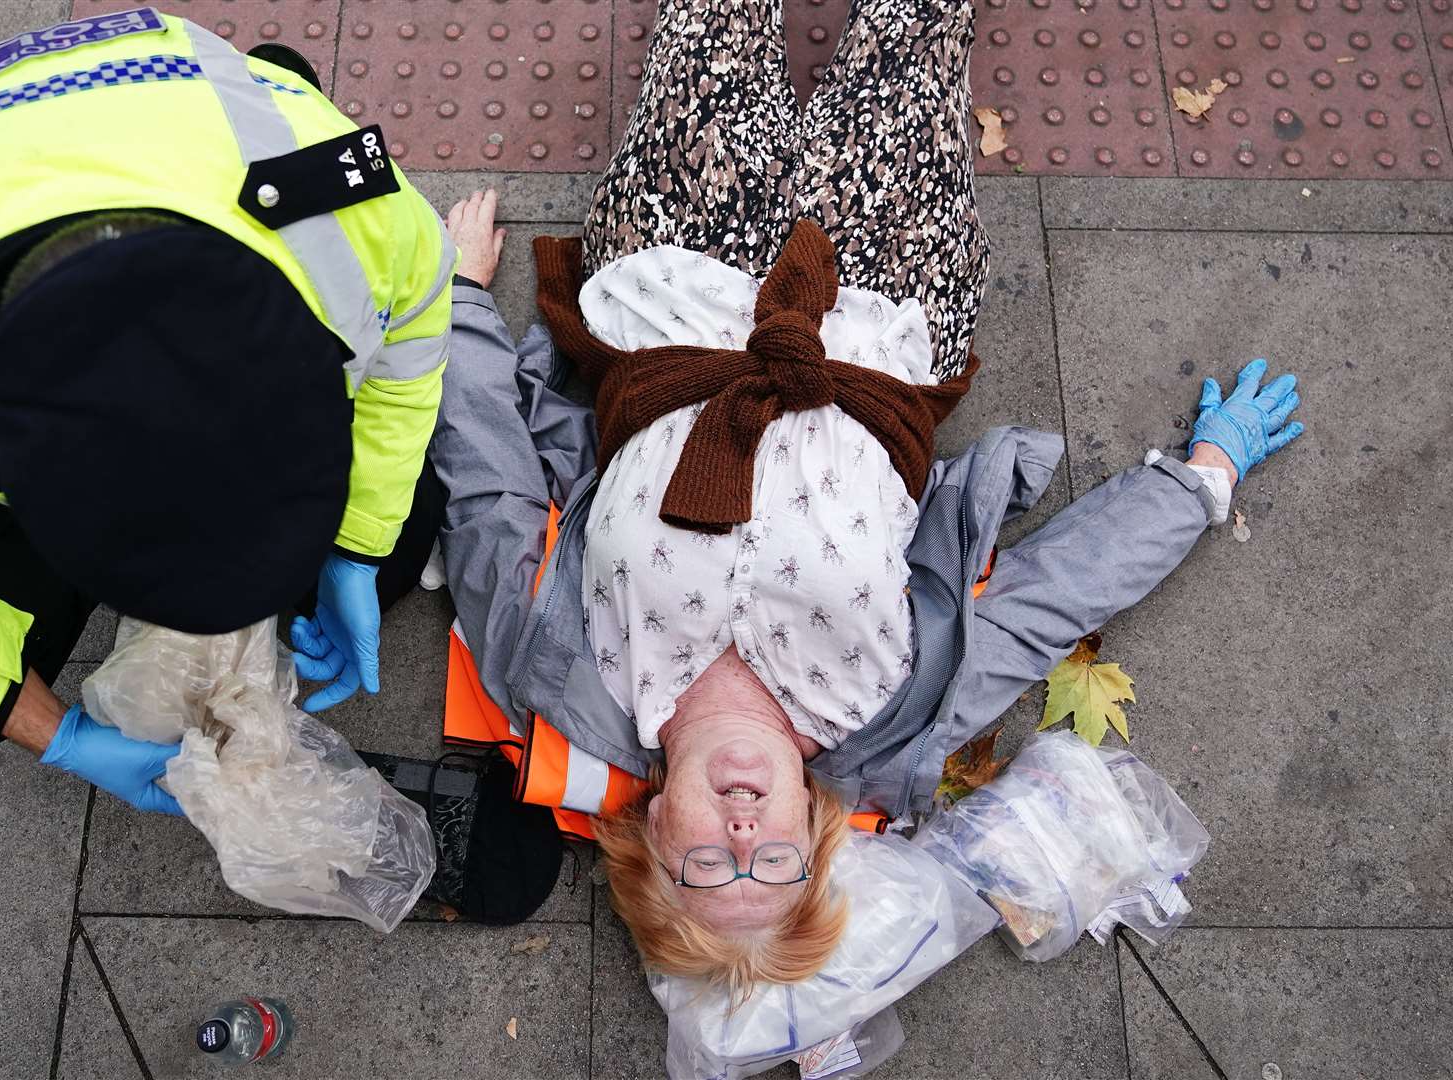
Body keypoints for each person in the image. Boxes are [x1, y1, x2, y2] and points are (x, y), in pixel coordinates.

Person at [434, 0, 1304, 998]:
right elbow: (1043, 601)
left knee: (707, 22)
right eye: (775, 865)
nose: (742, 835)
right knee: (915, 30)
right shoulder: (889, 717)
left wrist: (459, 303)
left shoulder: (557, 671)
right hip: (884, 304)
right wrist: (1200, 479)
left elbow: (486, 488)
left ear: (646, 835)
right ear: (812, 838)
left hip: (670, 280)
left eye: (707, 866)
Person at [0, 12, 454, 814]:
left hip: (185, 133)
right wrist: (58, 735)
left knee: (408, 531)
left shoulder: (344, 222)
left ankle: (274, 66)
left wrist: (360, 543)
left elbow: (411, 338)